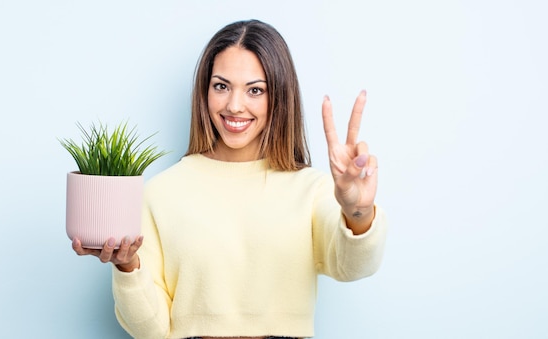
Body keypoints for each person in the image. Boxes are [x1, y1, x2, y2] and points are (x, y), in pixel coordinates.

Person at [72, 19, 387, 339]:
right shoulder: (161, 193)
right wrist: (127, 268)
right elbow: (151, 330)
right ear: (204, 91)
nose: (235, 106)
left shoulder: (311, 189)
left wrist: (358, 210)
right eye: (221, 86)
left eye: (255, 90)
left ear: (279, 96)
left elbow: (354, 267)